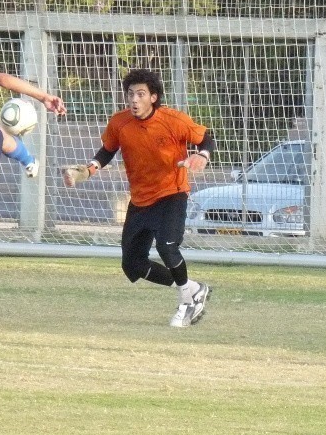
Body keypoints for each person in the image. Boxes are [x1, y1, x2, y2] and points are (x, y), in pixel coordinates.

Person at [62, 69, 214, 328]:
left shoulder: (173, 120)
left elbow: (206, 139)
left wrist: (202, 156)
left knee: (167, 247)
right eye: (131, 94)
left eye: (141, 94)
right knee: (132, 265)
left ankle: (187, 301)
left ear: (153, 97)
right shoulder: (119, 123)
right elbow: (107, 151)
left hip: (171, 194)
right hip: (140, 201)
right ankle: (192, 287)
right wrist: (87, 170)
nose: (134, 99)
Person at [0, 63, 67, 189]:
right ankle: (29, 161)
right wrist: (44, 97)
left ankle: (29, 161)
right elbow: (1, 79)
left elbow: (1, 79)